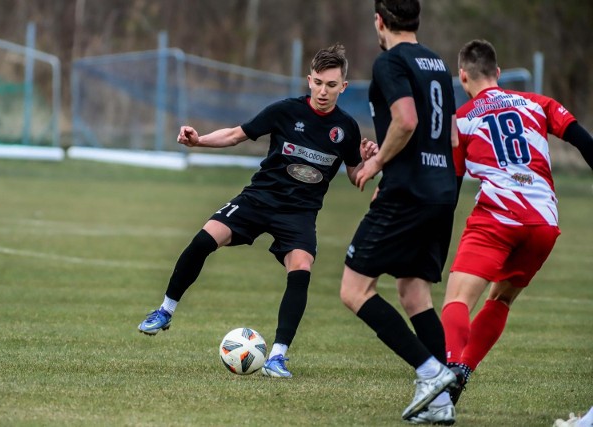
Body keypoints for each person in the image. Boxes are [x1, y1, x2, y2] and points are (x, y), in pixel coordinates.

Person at [137, 43, 378, 378]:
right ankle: (165, 310)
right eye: (319, 83)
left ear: (344, 87)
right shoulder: (285, 111)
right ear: (309, 80)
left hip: (300, 213)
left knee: (302, 268)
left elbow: (356, 176)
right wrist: (198, 141)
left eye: (332, 85)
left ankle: (277, 357)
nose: (324, 91)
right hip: (259, 198)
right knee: (204, 239)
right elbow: (236, 134)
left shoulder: (347, 129)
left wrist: (371, 161)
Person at [441, 39, 593, 405]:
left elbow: (450, 186)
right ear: (498, 71)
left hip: (498, 215)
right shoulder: (537, 103)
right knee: (502, 299)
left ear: (463, 76)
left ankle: (443, 378)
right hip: (543, 222)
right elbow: (582, 140)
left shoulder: (463, 119)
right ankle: (463, 369)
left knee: (457, 299)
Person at [338, 0, 459, 423]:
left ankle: (431, 373)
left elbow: (405, 121)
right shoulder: (437, 64)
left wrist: (376, 166)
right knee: (413, 291)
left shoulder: (390, 61)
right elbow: (453, 137)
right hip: (442, 192)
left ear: (380, 21)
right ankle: (442, 405)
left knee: (354, 290)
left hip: (408, 193)